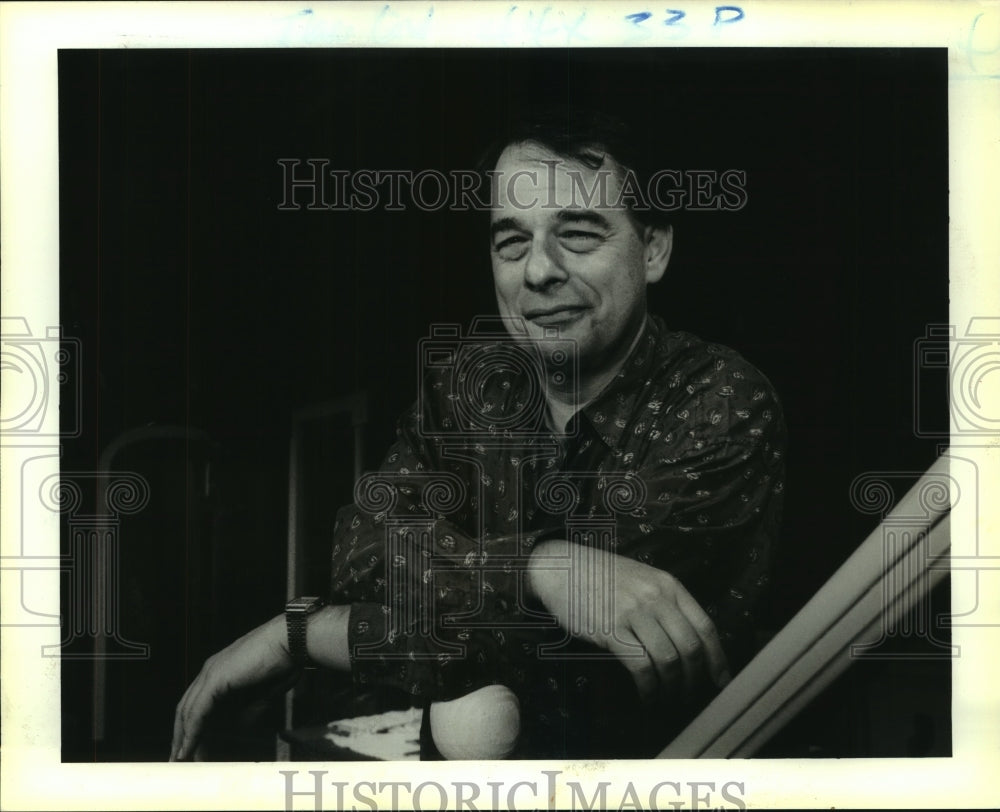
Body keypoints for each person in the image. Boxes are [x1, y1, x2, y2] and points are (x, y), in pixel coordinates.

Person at [170, 109, 786, 761]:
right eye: (511, 241)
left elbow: (563, 672)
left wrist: (294, 637)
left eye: (577, 234)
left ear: (653, 248)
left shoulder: (719, 400)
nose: (538, 271)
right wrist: (538, 568)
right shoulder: (464, 387)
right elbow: (365, 563)